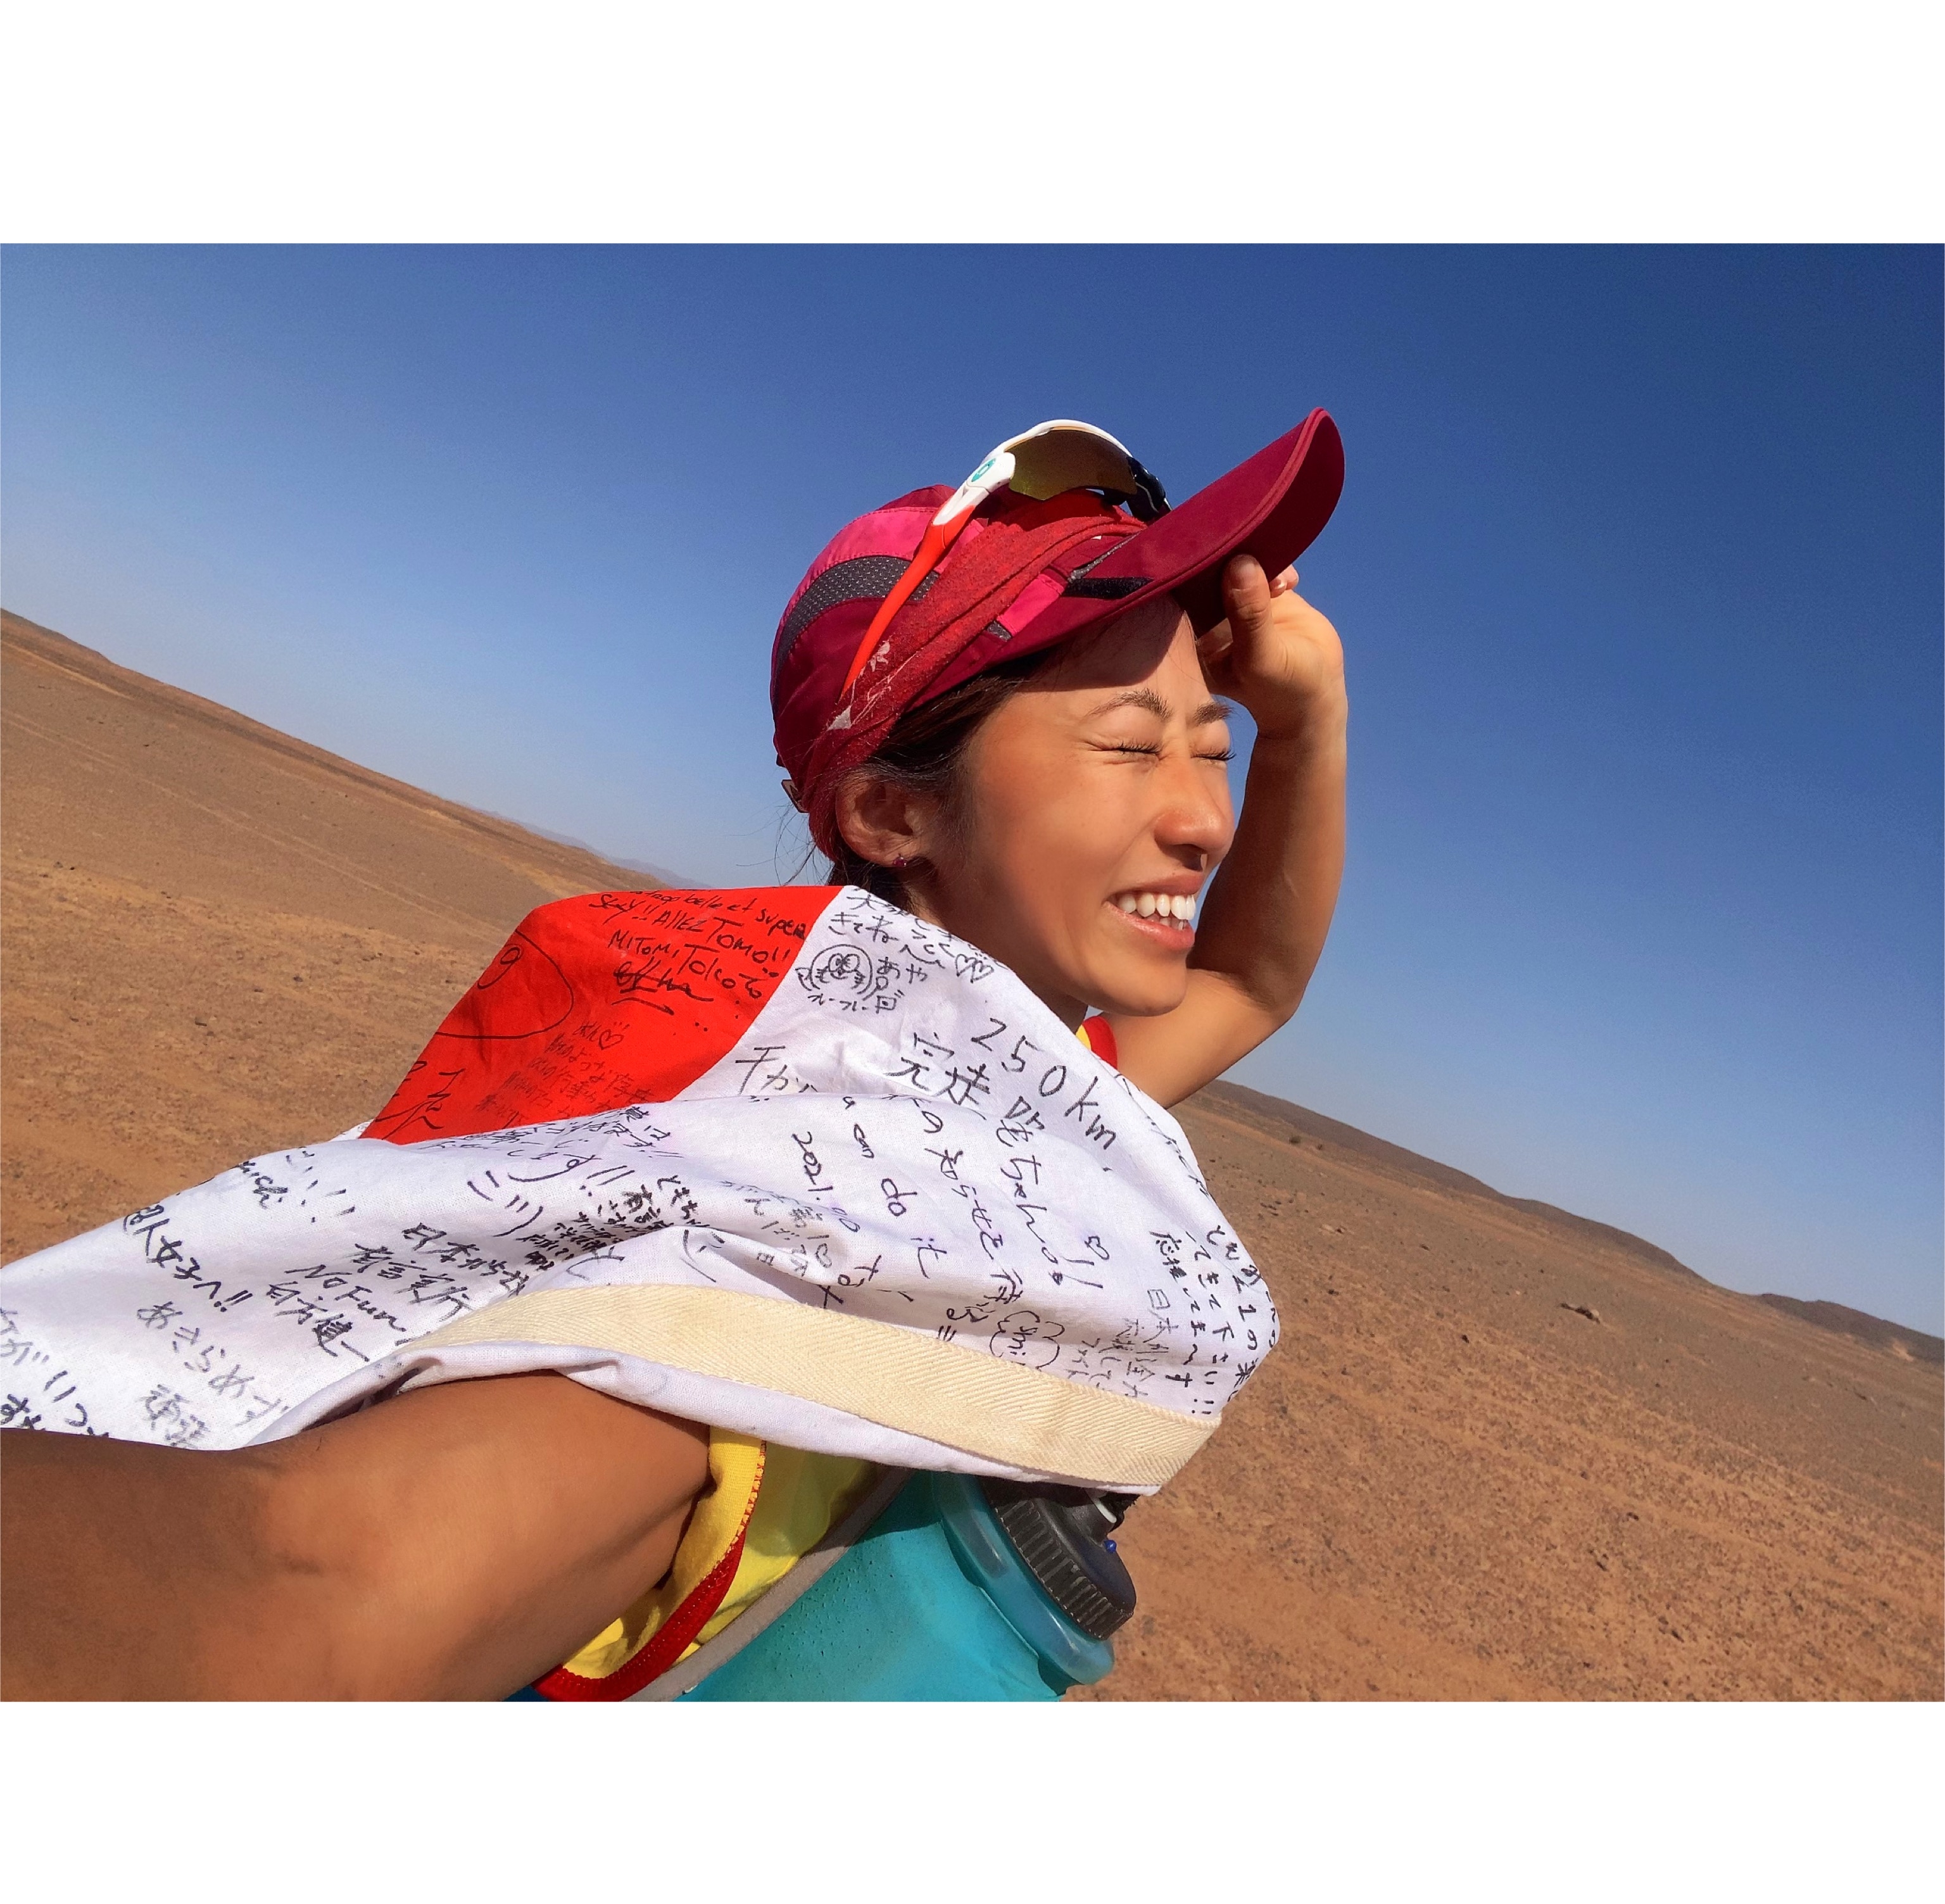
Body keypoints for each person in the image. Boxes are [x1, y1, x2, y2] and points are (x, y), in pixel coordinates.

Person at [0, 413, 1347, 1700]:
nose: (1205, 822)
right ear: (891, 812)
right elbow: (307, 1594)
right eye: (1131, 746)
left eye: (1214, 751)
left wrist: (1306, 719)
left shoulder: (1020, 1101)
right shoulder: (805, 1192)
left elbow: (1250, 978)